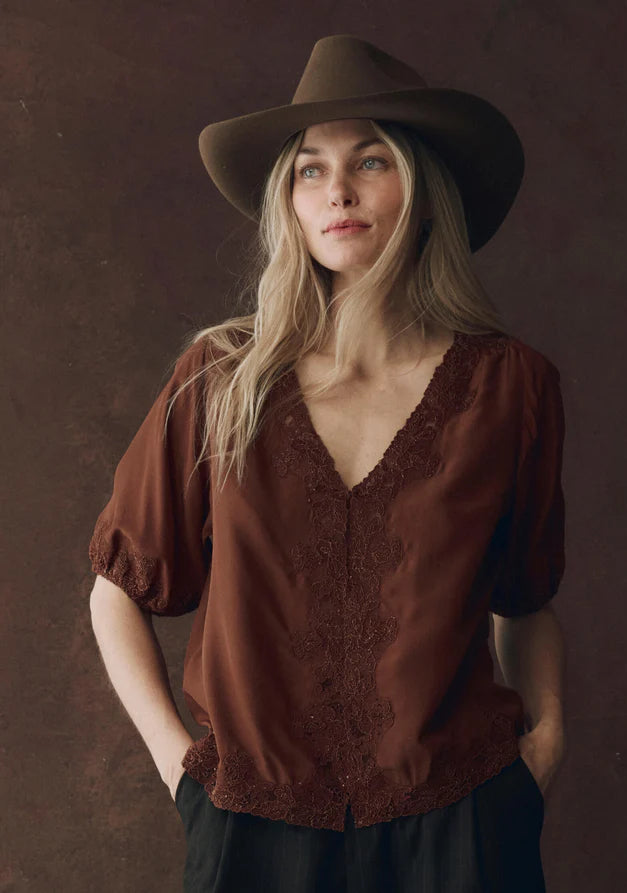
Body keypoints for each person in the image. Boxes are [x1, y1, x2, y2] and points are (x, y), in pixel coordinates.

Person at [88, 33, 567, 892]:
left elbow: (524, 599)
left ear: (423, 193)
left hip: (461, 830)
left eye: (370, 161)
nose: (337, 190)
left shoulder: (511, 387)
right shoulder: (222, 379)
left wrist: (546, 741)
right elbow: (118, 589)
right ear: (289, 203)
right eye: (309, 169)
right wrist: (181, 771)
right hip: (252, 836)